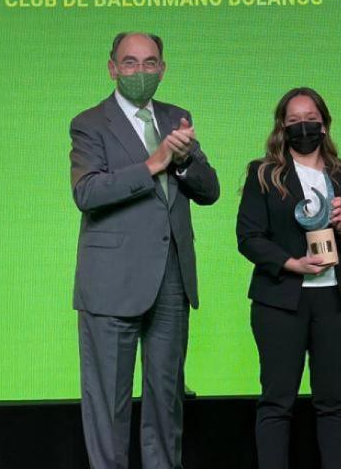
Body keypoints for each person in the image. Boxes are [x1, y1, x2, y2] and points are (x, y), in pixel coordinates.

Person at [69, 31, 220, 469]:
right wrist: (153, 164)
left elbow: (209, 191)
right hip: (111, 283)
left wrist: (185, 160)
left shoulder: (176, 118)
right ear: (112, 68)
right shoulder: (90, 123)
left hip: (171, 279)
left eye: (150, 62)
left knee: (167, 399)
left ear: (162, 69)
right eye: (130, 62)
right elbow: (87, 192)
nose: (141, 71)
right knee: (108, 404)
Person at [236, 87, 341, 469]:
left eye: (310, 119)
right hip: (280, 302)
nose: (303, 127)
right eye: (294, 120)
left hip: (337, 303)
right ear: (282, 127)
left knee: (335, 403)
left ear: (324, 125)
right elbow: (248, 237)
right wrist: (291, 263)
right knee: (276, 402)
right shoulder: (264, 174)